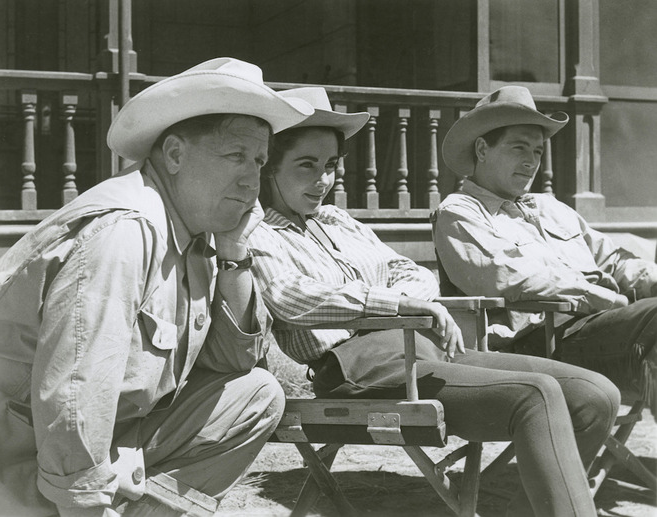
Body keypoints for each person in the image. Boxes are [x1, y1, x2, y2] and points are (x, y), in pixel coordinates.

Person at [248, 86, 620, 517]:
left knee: (595, 395)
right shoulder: (258, 231)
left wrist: (406, 301)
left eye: (330, 165)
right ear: (270, 166)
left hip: (427, 352)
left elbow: (412, 272)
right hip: (359, 368)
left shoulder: (338, 220)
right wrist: (395, 306)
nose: (323, 180)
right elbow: (290, 297)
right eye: (306, 165)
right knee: (534, 395)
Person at [0, 57, 315, 517]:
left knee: (256, 395)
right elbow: (74, 398)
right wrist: (83, 504)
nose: (251, 179)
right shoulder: (124, 231)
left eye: (260, 161)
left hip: (97, 446)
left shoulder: (198, 234)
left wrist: (234, 253)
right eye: (234, 156)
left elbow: (235, 362)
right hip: (20, 460)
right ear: (174, 154)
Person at [432, 85, 657, 414]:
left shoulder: (549, 207)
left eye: (537, 152)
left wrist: (649, 279)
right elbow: (512, 278)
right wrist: (605, 298)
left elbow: (613, 259)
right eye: (519, 148)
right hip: (542, 343)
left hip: (603, 329)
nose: (530, 162)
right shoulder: (459, 213)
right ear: (482, 149)